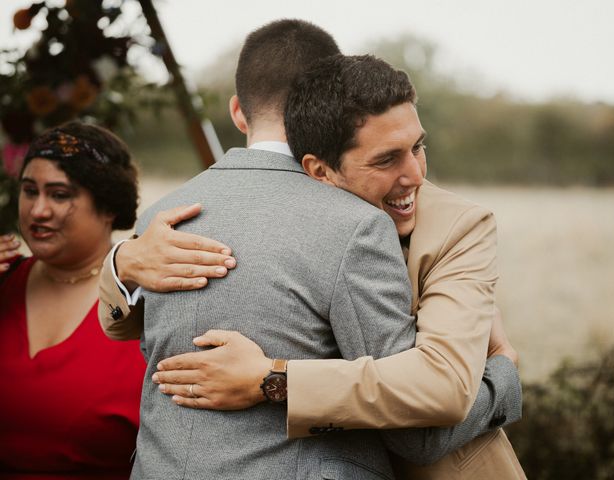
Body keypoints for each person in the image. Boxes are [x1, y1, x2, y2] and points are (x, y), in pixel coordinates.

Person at [99, 20, 523, 480]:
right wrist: (504, 374)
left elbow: (134, 333)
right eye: (386, 157)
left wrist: (124, 259)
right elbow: (420, 433)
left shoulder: (162, 215)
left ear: (240, 112)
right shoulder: (356, 226)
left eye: (417, 148)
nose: (414, 173)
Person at [0, 122, 147, 478]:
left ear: (108, 206)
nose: (38, 211)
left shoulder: (144, 300)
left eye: (59, 194)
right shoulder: (4, 281)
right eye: (29, 191)